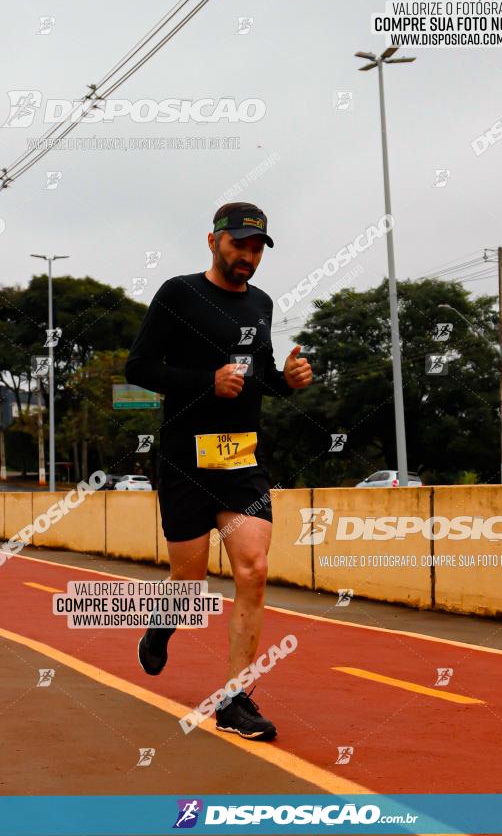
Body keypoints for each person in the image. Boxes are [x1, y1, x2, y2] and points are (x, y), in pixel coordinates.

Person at [124, 201, 313, 741]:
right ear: (213, 242)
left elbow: (259, 376)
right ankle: (161, 629)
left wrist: (289, 380)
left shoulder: (261, 304)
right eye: (238, 246)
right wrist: (207, 381)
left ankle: (235, 701)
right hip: (186, 459)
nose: (247, 257)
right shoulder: (178, 293)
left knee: (252, 571)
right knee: (190, 581)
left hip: (241, 460)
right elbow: (139, 368)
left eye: (256, 248)